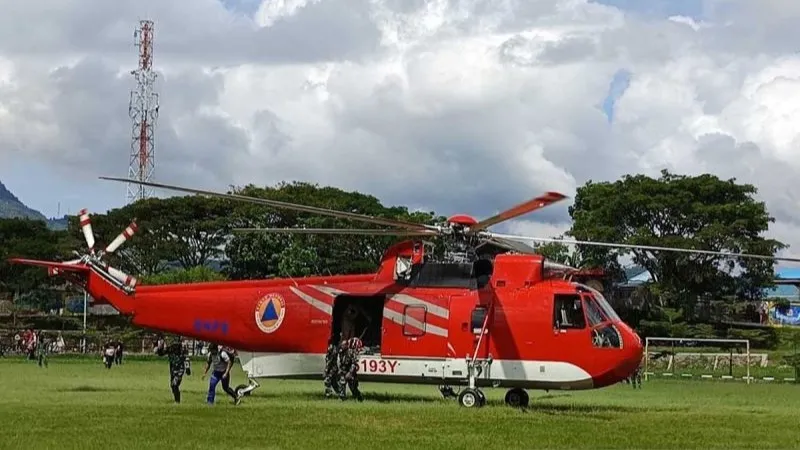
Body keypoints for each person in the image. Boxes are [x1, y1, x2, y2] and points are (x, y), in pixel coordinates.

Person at [337, 337, 364, 402]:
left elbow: (354, 363)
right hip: (344, 370)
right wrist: (340, 369)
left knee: (353, 388)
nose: (342, 346)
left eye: (343, 345)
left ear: (347, 345)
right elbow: (340, 362)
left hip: (350, 372)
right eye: (342, 345)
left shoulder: (351, 352)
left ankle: (359, 398)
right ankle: (342, 398)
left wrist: (350, 373)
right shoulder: (341, 352)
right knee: (342, 384)